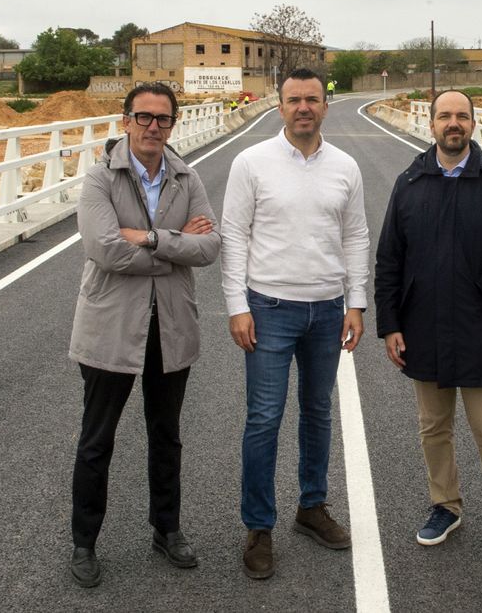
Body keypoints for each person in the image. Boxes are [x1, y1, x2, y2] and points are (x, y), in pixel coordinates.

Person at [67, 83, 221, 588]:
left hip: (171, 326)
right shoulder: (98, 179)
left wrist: (151, 238)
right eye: (144, 117)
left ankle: (167, 529)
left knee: (167, 435)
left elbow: (211, 246)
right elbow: (104, 249)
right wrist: (177, 245)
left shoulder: (185, 176)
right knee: (97, 441)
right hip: (111, 327)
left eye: (163, 119)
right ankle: (84, 543)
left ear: (173, 124)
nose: (154, 127)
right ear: (126, 121)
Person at [374, 89, 482, 557]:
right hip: (423, 327)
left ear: (472, 124)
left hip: (481, 329)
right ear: (430, 125)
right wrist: (391, 324)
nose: (453, 124)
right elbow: (390, 261)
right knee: (433, 426)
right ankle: (445, 505)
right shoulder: (410, 182)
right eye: (444, 116)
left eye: (461, 116)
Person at [221, 68, 370, 580]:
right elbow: (234, 235)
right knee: (264, 419)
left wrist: (358, 303)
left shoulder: (345, 166)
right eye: (293, 100)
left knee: (317, 412)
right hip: (269, 309)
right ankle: (258, 527)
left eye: (312, 99)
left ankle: (311, 507)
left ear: (325, 105)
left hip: (328, 309)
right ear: (278, 105)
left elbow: (355, 236)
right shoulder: (252, 162)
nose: (303, 107)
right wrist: (237, 306)